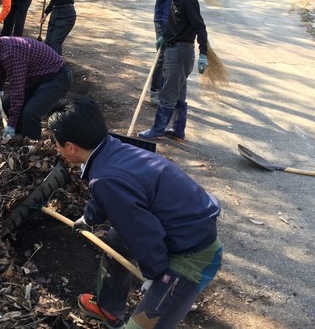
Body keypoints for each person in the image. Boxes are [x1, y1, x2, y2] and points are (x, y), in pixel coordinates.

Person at [46, 95, 222, 328]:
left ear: (70, 147)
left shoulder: (105, 178)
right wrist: (88, 218)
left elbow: (144, 234)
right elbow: (112, 197)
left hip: (194, 252)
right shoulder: (110, 149)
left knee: (145, 323)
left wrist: (156, 275)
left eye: (56, 143)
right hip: (178, 228)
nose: (56, 148)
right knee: (115, 241)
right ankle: (108, 309)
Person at [139, 0, 208, 142]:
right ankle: (178, 131)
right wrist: (164, 37)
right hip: (173, 49)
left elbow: (200, 28)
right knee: (179, 93)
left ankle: (158, 129)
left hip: (180, 53)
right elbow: (173, 24)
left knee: (168, 93)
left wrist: (203, 53)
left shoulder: (188, 1)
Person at [0, 28, 72, 139]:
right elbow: (1, 69)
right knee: (8, 106)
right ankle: (19, 135)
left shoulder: (11, 53)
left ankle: (32, 144)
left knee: (31, 112)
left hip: (58, 77)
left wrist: (11, 124)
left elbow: (18, 91)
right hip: (39, 78)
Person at [149, 0, 196, 105]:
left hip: (176, 20)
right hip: (163, 17)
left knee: (172, 57)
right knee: (163, 55)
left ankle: (166, 90)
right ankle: (154, 90)